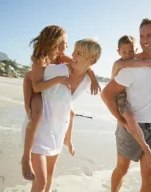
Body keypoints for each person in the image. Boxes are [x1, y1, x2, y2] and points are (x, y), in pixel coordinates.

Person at [22, 34, 102, 192]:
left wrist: (68, 138)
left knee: (50, 175)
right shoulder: (58, 70)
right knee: (41, 182)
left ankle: (66, 141)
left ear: (90, 60)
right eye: (74, 51)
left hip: (58, 131)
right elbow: (29, 78)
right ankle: (25, 158)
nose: (72, 55)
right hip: (39, 129)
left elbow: (69, 109)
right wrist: (27, 108)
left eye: (78, 53)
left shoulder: (87, 80)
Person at [101, 18, 151, 192]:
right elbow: (106, 94)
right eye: (141, 36)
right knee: (122, 169)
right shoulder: (130, 69)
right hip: (130, 126)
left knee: (150, 178)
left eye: (150, 35)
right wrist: (121, 120)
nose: (145, 39)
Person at [111, 35, 151, 169]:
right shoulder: (119, 63)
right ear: (118, 52)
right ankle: (146, 149)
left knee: (150, 101)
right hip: (119, 95)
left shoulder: (136, 60)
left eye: (131, 51)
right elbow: (128, 64)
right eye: (124, 52)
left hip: (131, 95)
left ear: (136, 50)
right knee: (130, 117)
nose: (128, 55)